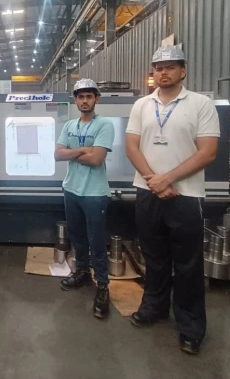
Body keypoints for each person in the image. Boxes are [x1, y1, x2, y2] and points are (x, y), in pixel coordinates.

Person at [125, 44, 220, 355]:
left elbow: (208, 152)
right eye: (158, 67)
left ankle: (191, 326)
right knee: (153, 257)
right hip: (147, 191)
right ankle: (154, 307)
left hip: (186, 195)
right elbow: (132, 147)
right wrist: (154, 181)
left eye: (170, 67)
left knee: (188, 263)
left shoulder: (201, 104)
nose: (163, 72)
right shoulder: (142, 105)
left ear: (183, 71)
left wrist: (168, 179)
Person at [55, 79, 115, 319]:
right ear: (75, 100)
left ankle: (102, 285)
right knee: (77, 236)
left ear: (96, 99)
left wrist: (71, 153)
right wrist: (82, 150)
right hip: (71, 189)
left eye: (89, 96)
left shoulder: (104, 125)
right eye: (80, 97)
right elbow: (57, 155)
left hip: (94, 193)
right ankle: (82, 272)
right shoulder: (69, 125)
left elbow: (97, 159)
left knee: (97, 241)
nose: (84, 101)